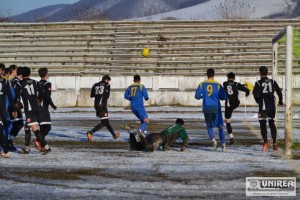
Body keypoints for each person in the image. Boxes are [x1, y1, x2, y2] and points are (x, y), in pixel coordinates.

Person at [19, 66, 51, 155]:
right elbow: (42, 94)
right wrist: (39, 100)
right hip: (36, 108)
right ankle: (26, 148)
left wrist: (18, 103)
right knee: (27, 126)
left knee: (35, 130)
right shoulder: (35, 82)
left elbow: (17, 95)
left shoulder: (20, 83)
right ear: (29, 74)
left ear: (22, 74)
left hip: (29, 109)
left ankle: (46, 147)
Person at [195, 68, 227, 152]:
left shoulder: (202, 84)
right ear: (214, 74)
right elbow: (223, 97)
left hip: (206, 107)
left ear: (207, 75)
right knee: (220, 127)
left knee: (209, 126)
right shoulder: (218, 85)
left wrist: (204, 96)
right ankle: (223, 145)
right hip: (216, 107)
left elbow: (197, 96)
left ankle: (214, 141)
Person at [253, 66, 283, 152]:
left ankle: (265, 140)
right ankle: (274, 142)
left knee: (262, 123)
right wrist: (280, 101)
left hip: (263, 105)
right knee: (271, 122)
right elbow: (279, 91)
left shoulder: (258, 83)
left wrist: (258, 101)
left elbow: (255, 94)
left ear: (260, 73)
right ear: (267, 72)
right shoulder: (272, 81)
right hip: (271, 105)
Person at [86, 75, 120, 141]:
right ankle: (91, 132)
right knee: (105, 122)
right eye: (108, 81)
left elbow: (92, 95)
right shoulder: (107, 85)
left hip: (96, 105)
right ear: (106, 80)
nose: (108, 82)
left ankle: (113, 135)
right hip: (102, 105)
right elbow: (107, 96)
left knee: (105, 122)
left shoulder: (95, 85)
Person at [223, 72, 250, 144]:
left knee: (228, 122)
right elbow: (246, 90)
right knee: (237, 101)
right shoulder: (237, 84)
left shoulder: (224, 83)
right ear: (234, 78)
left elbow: (230, 86)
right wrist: (247, 93)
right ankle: (231, 137)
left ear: (227, 78)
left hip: (228, 105)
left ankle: (231, 137)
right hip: (235, 104)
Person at [34, 68, 57, 150]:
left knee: (42, 127)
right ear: (46, 74)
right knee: (47, 127)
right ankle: (38, 140)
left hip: (36, 107)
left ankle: (41, 145)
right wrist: (53, 105)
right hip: (43, 107)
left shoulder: (37, 83)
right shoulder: (47, 83)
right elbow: (47, 96)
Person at [0, 73, 16, 158]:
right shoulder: (5, 81)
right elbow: (10, 96)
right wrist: (13, 109)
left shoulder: (6, 81)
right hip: (2, 109)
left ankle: (5, 150)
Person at [9, 65, 24, 150]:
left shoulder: (16, 81)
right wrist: (15, 105)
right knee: (18, 124)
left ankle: (9, 141)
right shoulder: (15, 82)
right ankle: (8, 142)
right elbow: (12, 95)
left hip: (14, 106)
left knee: (18, 124)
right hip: (13, 106)